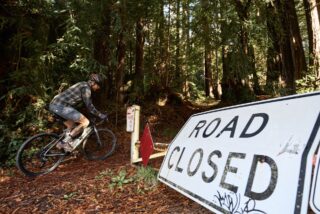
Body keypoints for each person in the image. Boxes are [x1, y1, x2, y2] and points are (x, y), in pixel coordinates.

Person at [49, 73, 107, 152]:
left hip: (54, 105)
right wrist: (100, 115)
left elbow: (85, 104)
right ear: (93, 83)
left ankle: (65, 145)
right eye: (98, 86)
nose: (98, 88)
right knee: (85, 122)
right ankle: (64, 143)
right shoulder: (86, 88)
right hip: (60, 106)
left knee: (72, 125)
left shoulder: (82, 84)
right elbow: (89, 106)